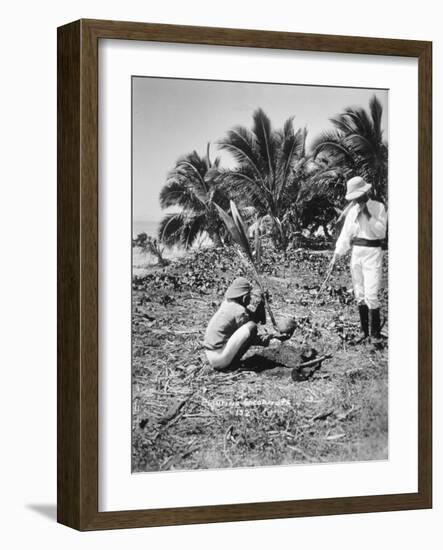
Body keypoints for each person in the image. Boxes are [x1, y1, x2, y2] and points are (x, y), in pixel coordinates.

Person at [329, 176, 387, 344]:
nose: (355, 200)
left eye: (358, 196)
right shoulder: (352, 212)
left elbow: (381, 233)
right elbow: (345, 236)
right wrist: (336, 256)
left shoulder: (378, 207)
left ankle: (375, 334)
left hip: (373, 253)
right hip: (357, 253)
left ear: (365, 193)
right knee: (359, 294)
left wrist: (367, 214)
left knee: (371, 294)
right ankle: (364, 332)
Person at [203, 277, 281, 371]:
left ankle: (229, 361)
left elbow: (253, 318)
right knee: (251, 327)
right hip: (220, 359)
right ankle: (232, 364)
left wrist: (261, 304)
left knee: (250, 325)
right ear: (244, 298)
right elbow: (252, 335)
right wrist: (271, 339)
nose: (250, 298)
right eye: (249, 296)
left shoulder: (227, 304)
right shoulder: (240, 311)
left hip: (210, 355)